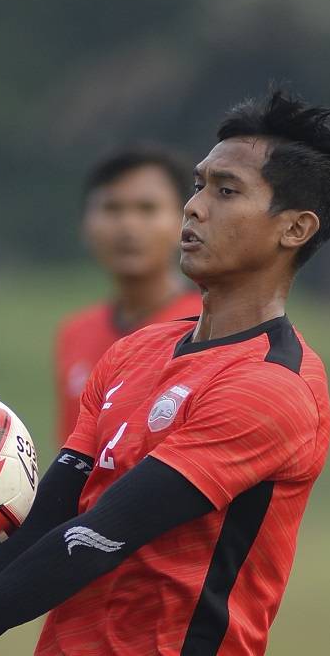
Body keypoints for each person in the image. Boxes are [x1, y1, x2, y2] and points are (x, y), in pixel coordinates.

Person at [0, 88, 330, 656]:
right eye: (199, 185)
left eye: (226, 191)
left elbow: (106, 530)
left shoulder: (272, 388)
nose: (193, 207)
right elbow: (50, 515)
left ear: (294, 229)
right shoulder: (133, 353)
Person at [55, 147, 200, 446]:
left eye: (147, 209)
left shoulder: (205, 329)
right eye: (112, 208)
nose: (128, 226)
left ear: (183, 222)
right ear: (85, 224)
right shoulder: (75, 333)